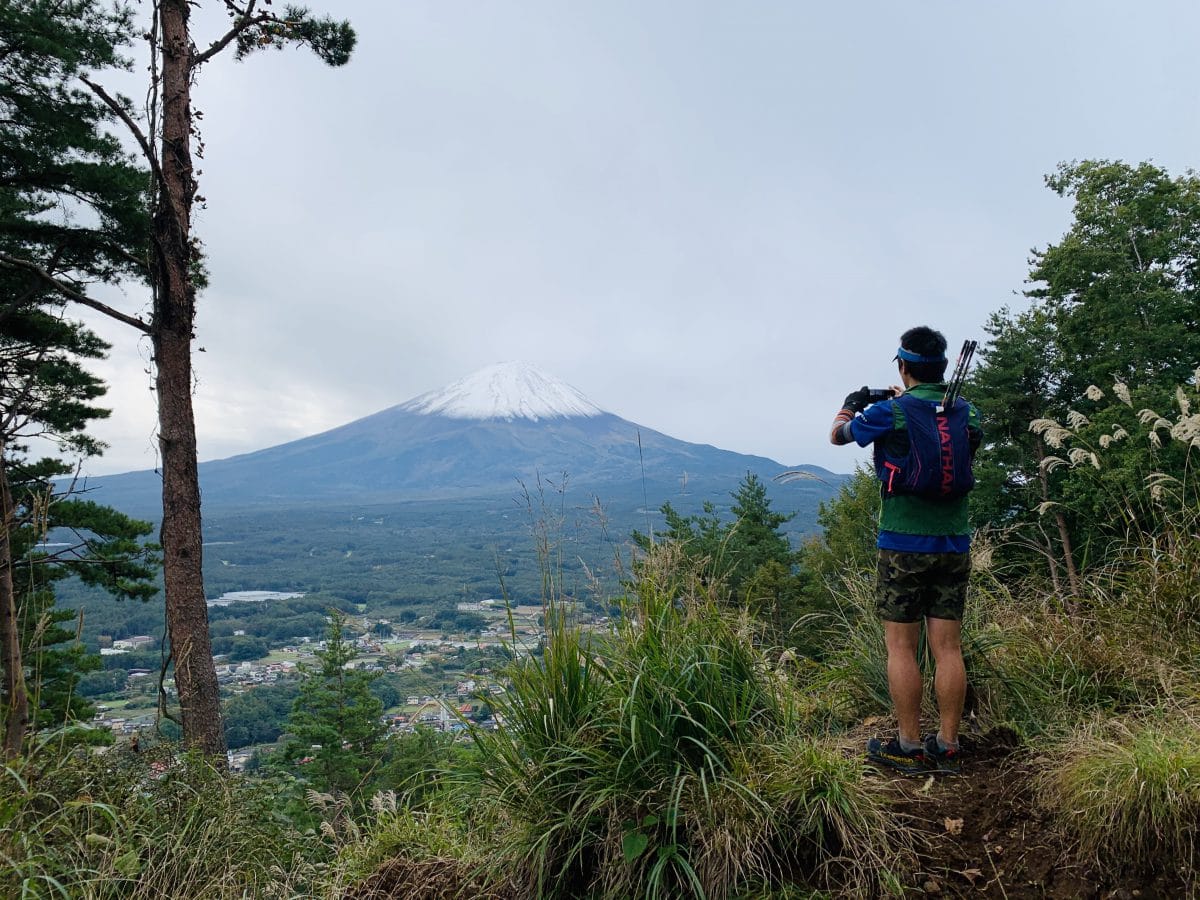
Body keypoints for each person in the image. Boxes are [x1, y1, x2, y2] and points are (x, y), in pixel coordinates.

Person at [829, 326, 981, 775]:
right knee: (948, 647)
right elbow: (959, 438)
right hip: (954, 541)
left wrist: (852, 404)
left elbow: (838, 436)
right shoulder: (966, 412)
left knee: (901, 647)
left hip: (901, 544)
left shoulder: (891, 413)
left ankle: (910, 744)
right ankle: (949, 744)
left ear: (903, 366)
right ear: (943, 366)